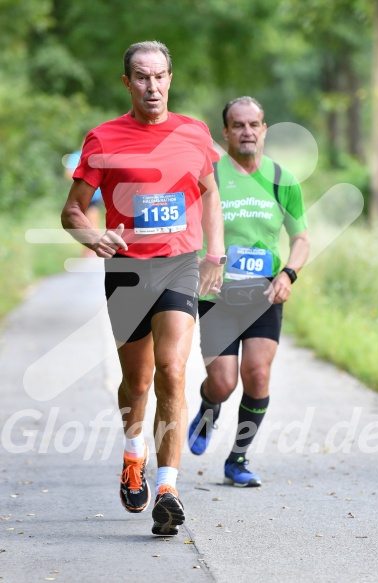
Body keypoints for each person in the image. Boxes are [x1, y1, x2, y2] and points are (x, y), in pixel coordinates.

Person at [61, 41, 225, 535]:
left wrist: (214, 253)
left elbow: (210, 191)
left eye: (159, 77)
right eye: (141, 77)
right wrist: (95, 234)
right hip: (129, 270)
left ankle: (169, 488)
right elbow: (72, 211)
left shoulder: (194, 133)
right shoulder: (103, 139)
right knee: (138, 381)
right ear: (126, 82)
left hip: (179, 265)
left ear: (170, 78)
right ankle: (134, 455)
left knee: (173, 371)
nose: (151, 87)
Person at [188, 96, 310, 487]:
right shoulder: (211, 175)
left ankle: (237, 460)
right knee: (223, 383)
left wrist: (288, 274)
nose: (246, 131)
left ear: (264, 129)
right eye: (238, 125)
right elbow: (189, 229)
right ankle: (209, 407)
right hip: (217, 296)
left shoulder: (281, 179)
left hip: (263, 295)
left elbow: (302, 237)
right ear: (225, 131)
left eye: (253, 124)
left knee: (257, 375)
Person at [64, 149, 103, 257]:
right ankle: (88, 250)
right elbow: (67, 174)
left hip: (95, 196)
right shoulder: (76, 156)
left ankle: (93, 250)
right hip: (81, 196)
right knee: (80, 222)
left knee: (93, 221)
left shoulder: (97, 155)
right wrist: (83, 173)